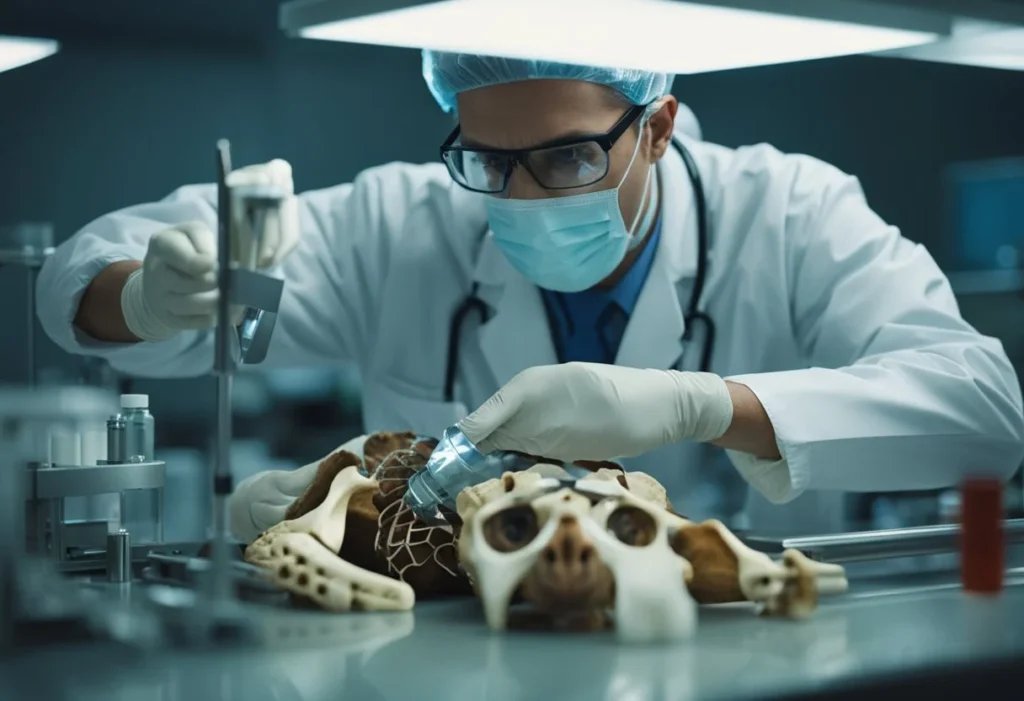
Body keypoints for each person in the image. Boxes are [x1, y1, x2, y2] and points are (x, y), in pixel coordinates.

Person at [37, 51, 1024, 542]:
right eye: (487, 158)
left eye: (565, 155)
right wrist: (159, 296)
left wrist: (707, 406)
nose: (519, 195)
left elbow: (984, 410)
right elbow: (82, 283)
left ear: (658, 126)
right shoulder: (402, 223)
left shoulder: (790, 210)